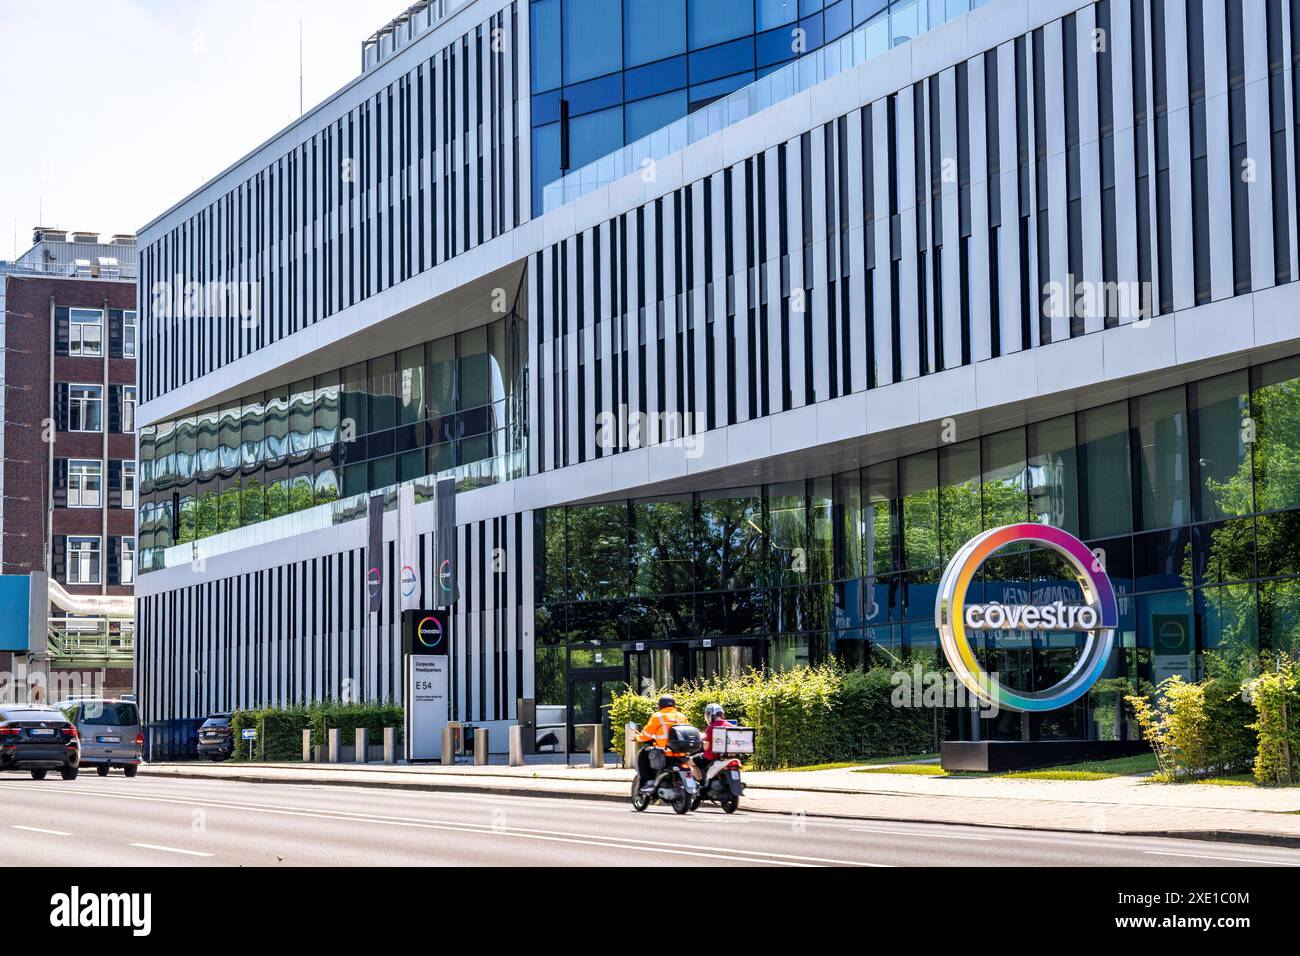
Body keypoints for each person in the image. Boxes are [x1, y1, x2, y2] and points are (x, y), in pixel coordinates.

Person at [636, 695, 690, 793]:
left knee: (644, 753)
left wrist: (637, 738)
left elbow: (647, 734)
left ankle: (649, 781)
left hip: (664, 753)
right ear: (674, 705)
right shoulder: (682, 716)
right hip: (681, 753)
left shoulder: (658, 716)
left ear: (660, 706)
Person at [693, 702, 734, 780]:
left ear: (710, 715)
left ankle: (699, 783)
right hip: (727, 757)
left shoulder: (711, 728)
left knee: (690, 762)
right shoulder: (731, 726)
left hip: (711, 758)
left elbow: (706, 747)